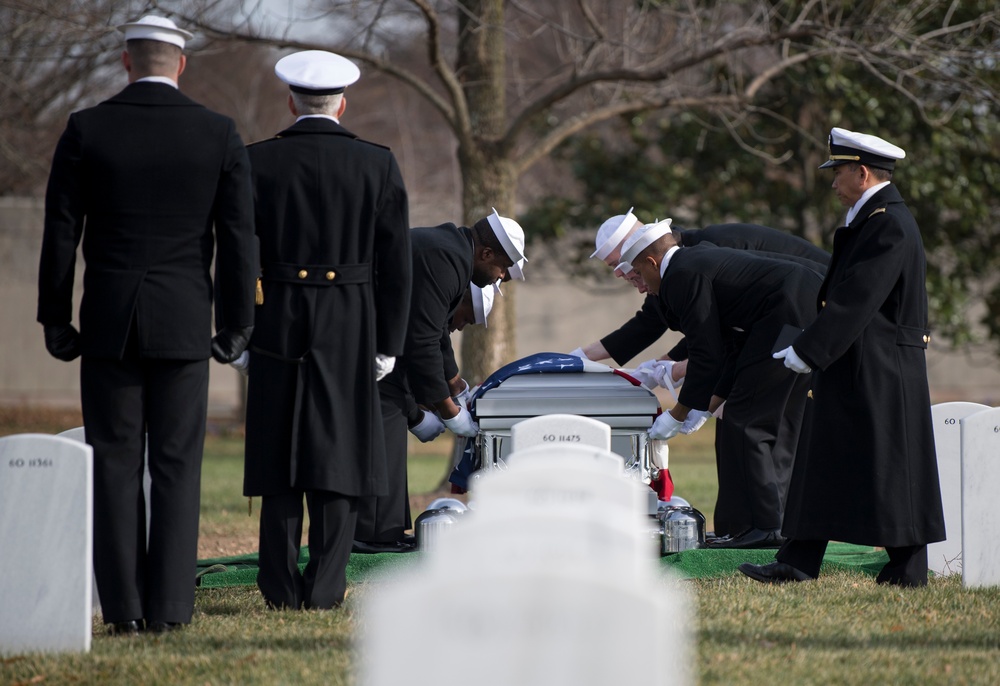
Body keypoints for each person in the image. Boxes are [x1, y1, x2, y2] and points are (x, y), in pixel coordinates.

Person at [36, 15, 257, 635]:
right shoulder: (217, 133)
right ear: (180, 64)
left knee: (113, 461)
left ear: (126, 61)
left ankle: (125, 609)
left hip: (109, 319)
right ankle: (170, 609)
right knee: (178, 464)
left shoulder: (87, 128)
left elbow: (61, 234)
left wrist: (54, 316)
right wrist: (238, 323)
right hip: (186, 321)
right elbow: (239, 240)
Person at [241, 50, 412, 609]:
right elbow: (397, 266)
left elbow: (238, 255)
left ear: (291, 100)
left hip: (277, 319)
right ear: (343, 102)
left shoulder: (256, 161)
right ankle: (327, 588)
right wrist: (388, 344)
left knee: (279, 455)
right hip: (351, 322)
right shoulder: (377, 163)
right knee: (341, 455)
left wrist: (240, 329)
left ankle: (279, 588)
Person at [739, 128, 945, 587]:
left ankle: (908, 569)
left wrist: (809, 349)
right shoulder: (874, 216)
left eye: (839, 171)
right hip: (862, 359)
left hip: (883, 366)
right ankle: (798, 559)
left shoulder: (887, 222)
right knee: (823, 457)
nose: (833, 182)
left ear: (863, 172)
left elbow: (858, 298)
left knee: (891, 466)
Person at [621, 220, 823, 548]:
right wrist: (707, 404)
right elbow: (728, 346)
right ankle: (748, 526)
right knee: (741, 416)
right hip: (787, 311)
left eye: (640, 275)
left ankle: (769, 528)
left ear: (652, 262)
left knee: (749, 421)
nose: (643, 285)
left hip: (792, 310)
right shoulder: (689, 265)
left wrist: (678, 413)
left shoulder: (681, 276)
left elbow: (705, 353)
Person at [353, 284, 496, 553]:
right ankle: (370, 534)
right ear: (460, 301)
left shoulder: (434, 313)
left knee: (391, 455)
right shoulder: (430, 313)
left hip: (389, 385)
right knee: (380, 452)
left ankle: (386, 531)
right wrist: (426, 414)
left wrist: (439, 400)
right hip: (377, 380)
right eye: (466, 317)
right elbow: (419, 359)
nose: (462, 326)